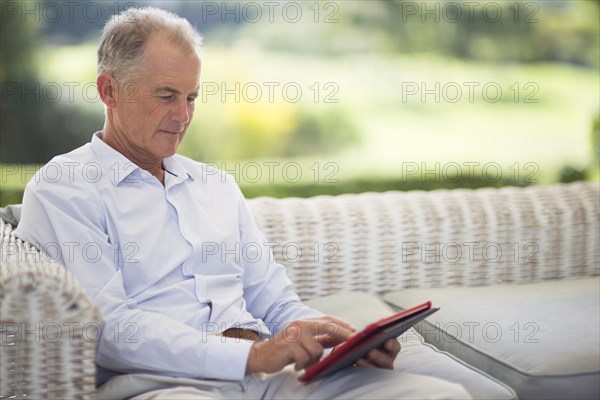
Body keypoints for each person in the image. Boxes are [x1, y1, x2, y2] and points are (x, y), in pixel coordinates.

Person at [15, 7, 470, 399]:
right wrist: (249, 356)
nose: (183, 116)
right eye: (166, 96)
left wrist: (337, 338)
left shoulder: (213, 184)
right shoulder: (64, 188)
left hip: (270, 375)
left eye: (192, 97)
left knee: (439, 394)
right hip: (168, 385)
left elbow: (274, 302)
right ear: (109, 91)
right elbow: (111, 332)